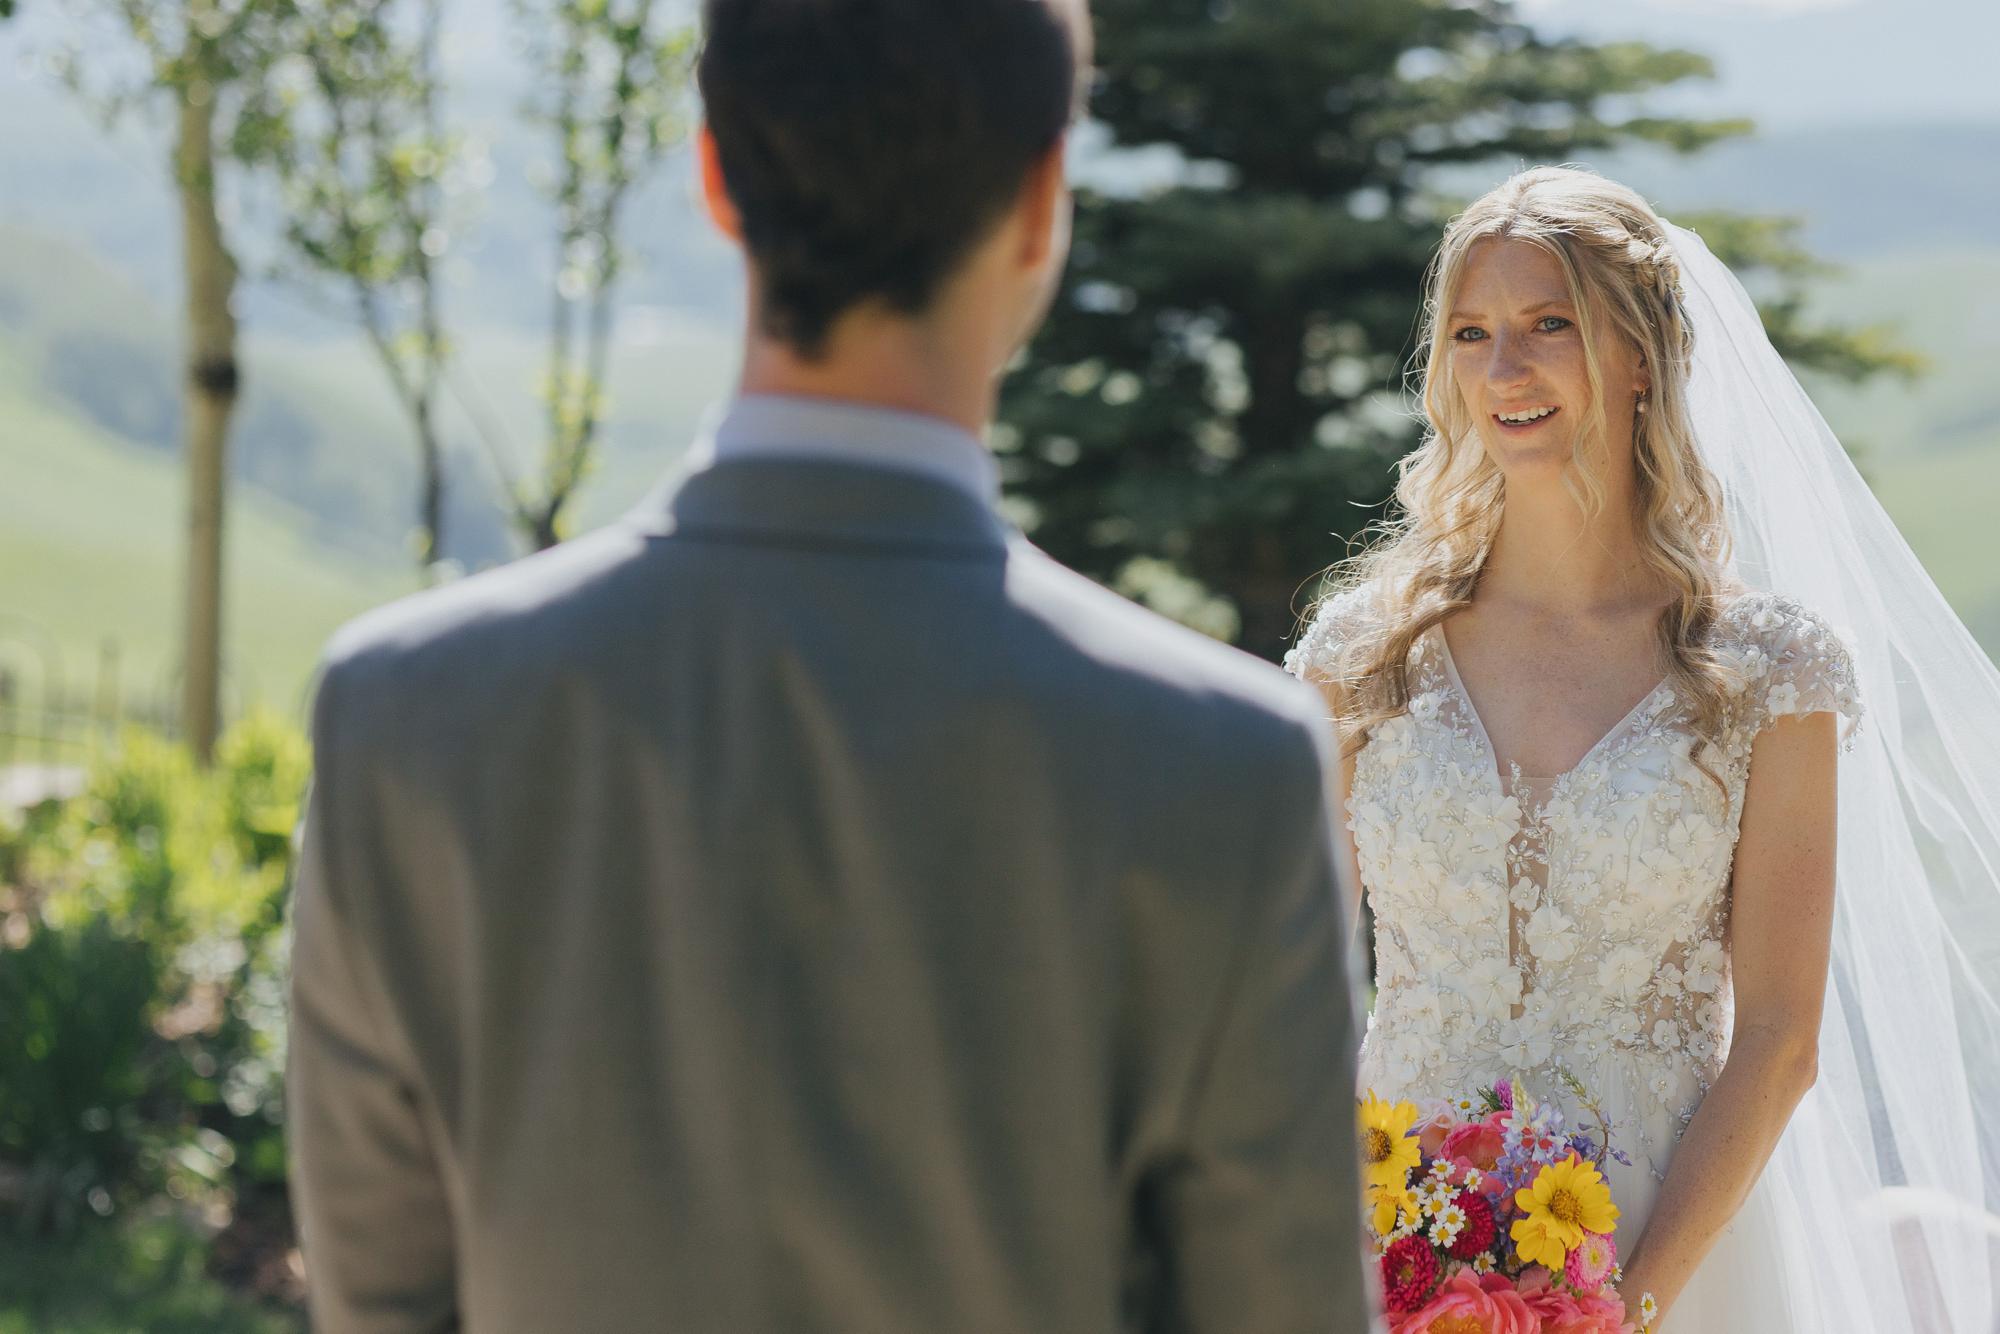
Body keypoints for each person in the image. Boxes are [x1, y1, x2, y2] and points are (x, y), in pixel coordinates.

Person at [286, 1, 1380, 1330]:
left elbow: (384, 1301)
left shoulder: (405, 715)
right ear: (1043, 200)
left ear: (714, 173)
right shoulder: (1231, 767)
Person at [1288, 164, 2000, 1331]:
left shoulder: (1770, 673)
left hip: (1673, 1254)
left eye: (1545, 325)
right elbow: (1279, 983)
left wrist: (1618, 1308)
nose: (1502, 369)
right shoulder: (1364, 657)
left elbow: (1776, 1039)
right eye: (1471, 334)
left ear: (1637, 355)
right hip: (1383, 1252)